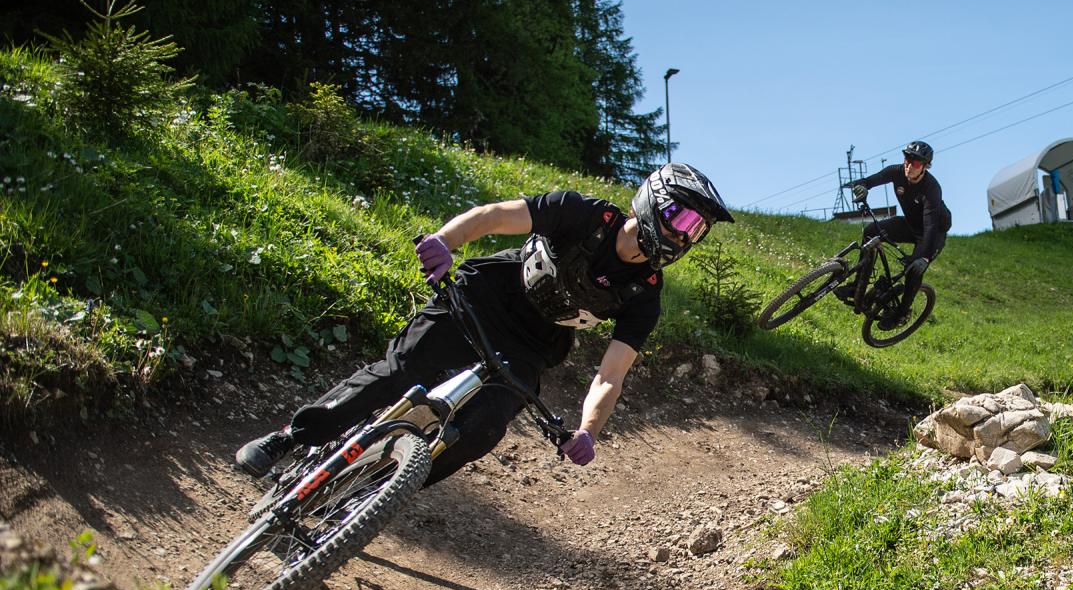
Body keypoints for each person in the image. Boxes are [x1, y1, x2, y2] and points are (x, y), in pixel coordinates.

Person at [234, 163, 734, 484]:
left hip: (533, 343)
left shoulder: (644, 295)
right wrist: (445, 243)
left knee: (482, 430)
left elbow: (610, 374)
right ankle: (292, 438)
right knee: (402, 370)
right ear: (652, 200)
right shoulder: (580, 214)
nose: (685, 236)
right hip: (485, 295)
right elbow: (495, 216)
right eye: (682, 218)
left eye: (697, 230)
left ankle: (375, 491)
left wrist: (587, 430)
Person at [841, 141, 952, 323]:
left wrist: (924, 257)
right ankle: (857, 286)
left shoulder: (932, 188)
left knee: (914, 269)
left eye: (915, 163)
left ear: (925, 166)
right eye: (907, 159)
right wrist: (862, 186)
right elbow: (869, 181)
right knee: (871, 232)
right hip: (910, 224)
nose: (909, 165)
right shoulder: (896, 172)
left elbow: (931, 225)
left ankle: (902, 313)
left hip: (932, 232)